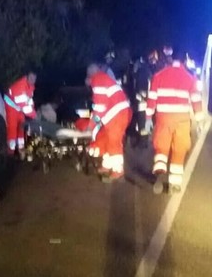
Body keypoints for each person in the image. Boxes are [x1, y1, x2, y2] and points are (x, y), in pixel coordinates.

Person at [145, 51, 204, 194]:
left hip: (163, 118)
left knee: (161, 148)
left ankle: (159, 174)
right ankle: (174, 184)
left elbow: (152, 98)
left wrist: (148, 118)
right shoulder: (190, 78)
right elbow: (196, 100)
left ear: (170, 60)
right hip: (181, 120)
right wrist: (199, 120)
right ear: (184, 61)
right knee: (179, 149)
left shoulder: (158, 76)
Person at [85, 63, 131, 183]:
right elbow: (101, 108)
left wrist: (91, 126)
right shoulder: (103, 78)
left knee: (114, 142)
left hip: (117, 115)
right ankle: (107, 165)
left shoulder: (98, 80)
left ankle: (118, 170)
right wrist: (95, 122)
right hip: (117, 114)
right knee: (108, 140)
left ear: (90, 75)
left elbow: (99, 108)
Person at [3, 70, 37, 155]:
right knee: (12, 128)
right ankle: (10, 151)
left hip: (19, 108)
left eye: (34, 79)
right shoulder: (21, 86)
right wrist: (34, 115)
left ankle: (20, 149)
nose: (33, 80)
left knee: (21, 126)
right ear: (27, 77)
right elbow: (24, 106)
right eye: (31, 78)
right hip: (11, 107)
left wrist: (33, 111)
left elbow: (29, 101)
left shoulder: (30, 86)